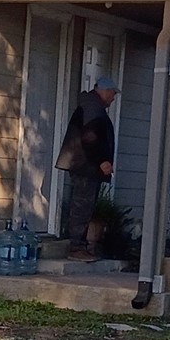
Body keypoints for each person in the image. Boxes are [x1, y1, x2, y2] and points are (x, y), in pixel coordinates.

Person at [55, 77, 117, 256]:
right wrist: (102, 161)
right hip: (85, 165)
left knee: (84, 204)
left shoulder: (92, 106)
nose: (113, 99)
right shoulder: (92, 108)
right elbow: (89, 137)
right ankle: (77, 247)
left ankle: (80, 244)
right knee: (82, 204)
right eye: (112, 94)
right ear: (105, 91)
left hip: (86, 165)